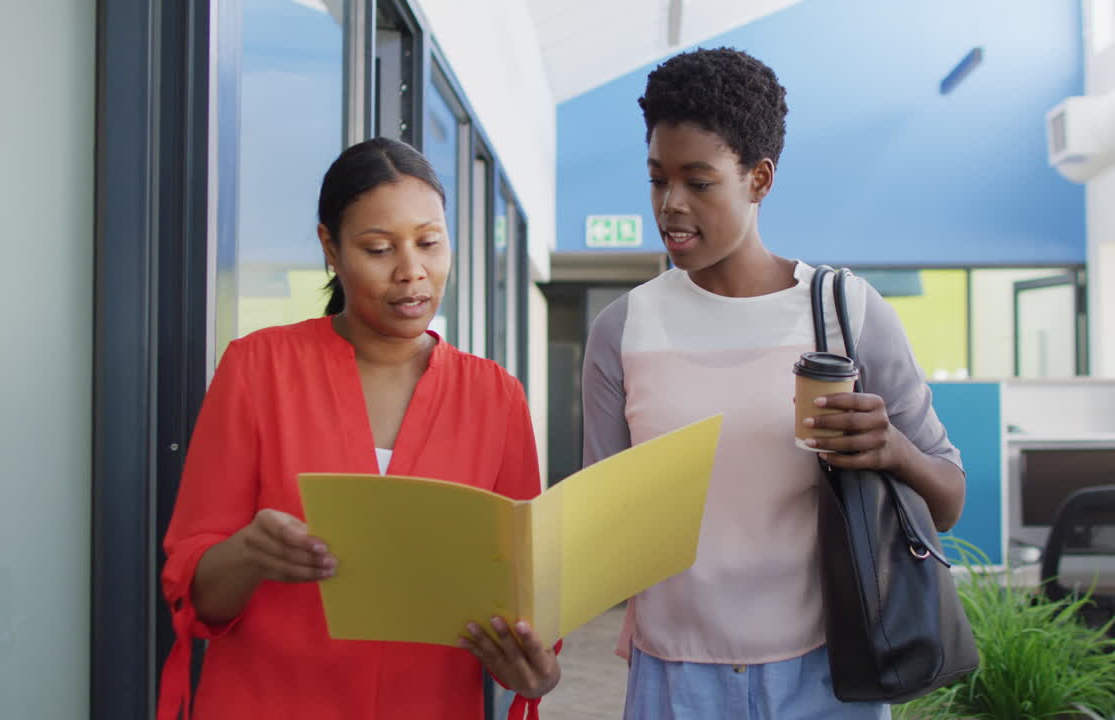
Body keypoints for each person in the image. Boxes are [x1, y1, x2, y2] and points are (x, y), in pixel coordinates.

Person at [581, 48, 966, 720]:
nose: (670, 206)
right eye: (657, 180)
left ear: (759, 179)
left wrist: (891, 450)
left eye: (699, 183)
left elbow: (949, 497)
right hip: (673, 677)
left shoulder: (847, 312)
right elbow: (600, 537)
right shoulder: (622, 331)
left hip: (827, 676)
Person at [158, 138, 560, 720]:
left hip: (431, 704)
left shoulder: (495, 396)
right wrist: (249, 552)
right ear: (331, 248)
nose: (412, 272)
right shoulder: (258, 368)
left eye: (429, 243)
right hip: (269, 702)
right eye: (378, 248)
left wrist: (534, 666)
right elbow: (195, 594)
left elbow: (527, 594)